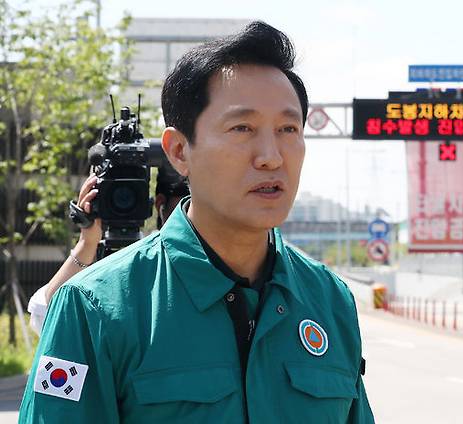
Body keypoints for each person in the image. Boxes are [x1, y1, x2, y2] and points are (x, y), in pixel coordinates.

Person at [19, 21, 374, 423]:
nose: (271, 156)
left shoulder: (330, 300)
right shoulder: (94, 308)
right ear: (179, 150)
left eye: (288, 129)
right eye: (243, 128)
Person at [27, 168, 189, 335]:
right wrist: (87, 243)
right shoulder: (142, 260)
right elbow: (48, 317)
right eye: (186, 197)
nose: (191, 209)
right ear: (160, 203)